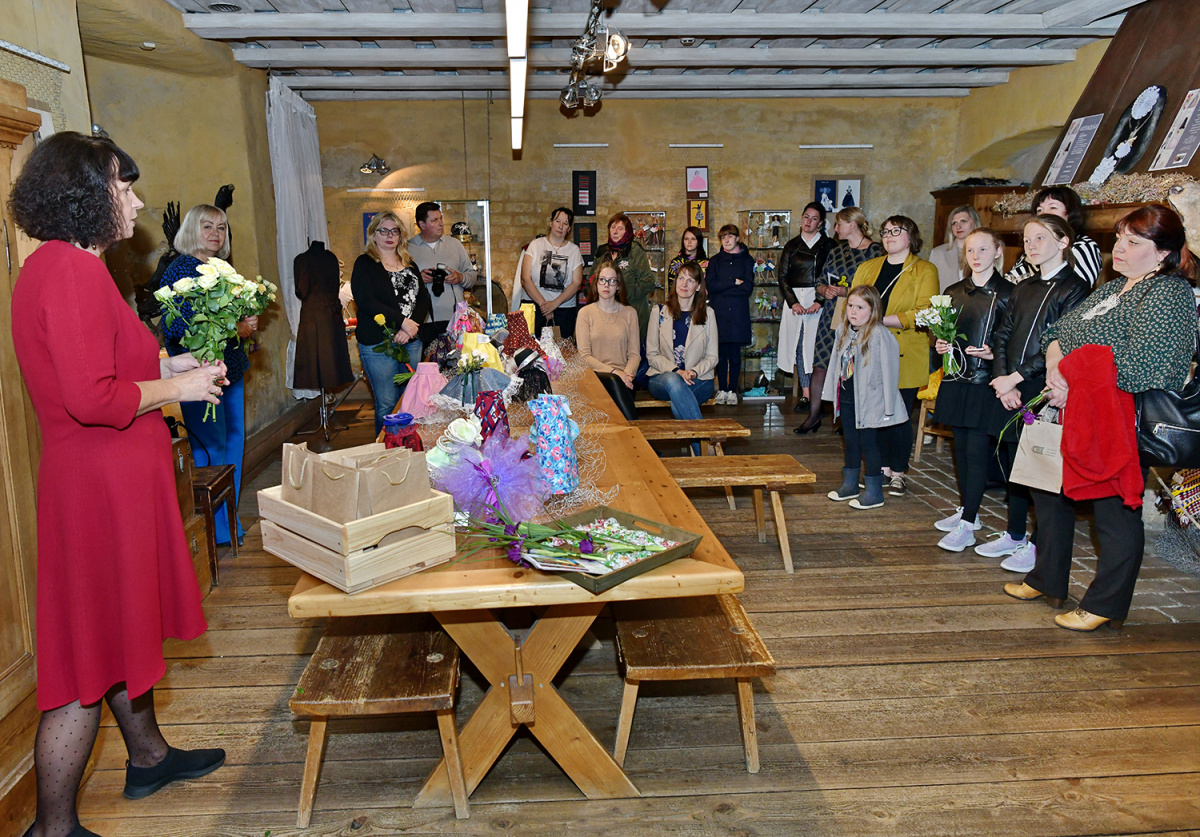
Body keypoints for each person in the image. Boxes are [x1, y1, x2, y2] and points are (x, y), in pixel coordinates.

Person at [10, 131, 227, 837]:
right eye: (122, 187)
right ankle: (53, 827)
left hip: (101, 482)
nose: (134, 202)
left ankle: (149, 757)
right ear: (85, 195)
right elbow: (90, 398)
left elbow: (100, 364)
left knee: (117, 634)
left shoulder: (61, 266)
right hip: (99, 491)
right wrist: (177, 387)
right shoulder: (70, 271)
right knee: (86, 662)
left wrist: (169, 363)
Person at [1006, 204, 1198, 631]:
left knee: (1114, 509)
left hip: (1120, 419)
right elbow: (1057, 331)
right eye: (1120, 239)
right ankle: (1048, 578)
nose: (1120, 249)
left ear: (1163, 252)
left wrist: (1071, 375)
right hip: (1077, 407)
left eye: (1134, 242)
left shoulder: (1168, 294)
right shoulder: (1114, 288)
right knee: (1050, 493)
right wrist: (1056, 365)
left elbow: (1147, 369)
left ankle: (1106, 604)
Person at [986, 214, 1089, 572]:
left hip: (1042, 387)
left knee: (1040, 470)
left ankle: (1037, 543)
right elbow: (1003, 334)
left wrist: (1015, 377)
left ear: (1063, 242)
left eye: (1040, 238)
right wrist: (1002, 378)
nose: (1031, 246)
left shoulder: (1075, 288)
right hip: (1010, 386)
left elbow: (1060, 343)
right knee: (1014, 464)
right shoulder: (1023, 287)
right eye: (1027, 240)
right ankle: (1015, 533)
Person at [160, 204, 257, 547]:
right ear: (191, 230)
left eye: (221, 227)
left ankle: (228, 522)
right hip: (199, 374)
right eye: (207, 226)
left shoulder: (222, 268)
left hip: (232, 368)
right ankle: (208, 528)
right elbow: (179, 325)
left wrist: (247, 320)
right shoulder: (180, 269)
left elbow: (236, 317)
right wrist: (236, 327)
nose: (216, 233)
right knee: (209, 449)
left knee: (233, 444)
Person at [930, 228, 1013, 552]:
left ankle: (967, 525)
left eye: (983, 249)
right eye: (970, 250)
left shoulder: (1008, 293)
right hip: (956, 380)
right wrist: (940, 344)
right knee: (961, 450)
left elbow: (1015, 340)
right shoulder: (953, 292)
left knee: (977, 454)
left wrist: (994, 354)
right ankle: (969, 511)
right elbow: (945, 334)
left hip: (984, 383)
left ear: (997, 251)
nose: (976, 256)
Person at [850, 216, 938, 496]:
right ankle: (881, 468)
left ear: (910, 235)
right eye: (885, 231)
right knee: (874, 413)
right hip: (869, 350)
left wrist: (879, 320)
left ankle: (899, 471)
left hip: (904, 351)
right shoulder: (867, 267)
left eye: (895, 231)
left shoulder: (925, 270)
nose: (888, 236)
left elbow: (926, 312)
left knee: (898, 415)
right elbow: (853, 304)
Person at [796, 207, 883, 435]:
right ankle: (813, 416)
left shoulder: (874, 251)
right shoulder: (837, 250)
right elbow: (820, 280)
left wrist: (848, 291)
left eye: (839, 224)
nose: (835, 229)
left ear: (852, 224)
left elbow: (876, 288)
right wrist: (824, 289)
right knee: (820, 363)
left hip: (858, 316)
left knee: (851, 366)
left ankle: (850, 418)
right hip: (831, 314)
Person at [824, 285, 906, 510]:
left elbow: (890, 371)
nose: (853, 311)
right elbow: (835, 365)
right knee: (850, 441)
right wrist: (831, 394)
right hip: (847, 397)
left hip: (871, 400)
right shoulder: (842, 331)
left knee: (868, 443)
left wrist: (888, 404)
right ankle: (850, 485)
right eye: (850, 305)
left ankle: (874, 492)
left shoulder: (880, 334)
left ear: (873, 310)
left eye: (860, 307)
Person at [352, 211, 432, 435]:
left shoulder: (409, 263)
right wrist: (402, 322)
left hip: (411, 341)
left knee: (409, 400)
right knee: (387, 403)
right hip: (378, 342)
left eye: (394, 231)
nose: (389, 236)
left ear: (400, 235)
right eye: (383, 231)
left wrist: (411, 327)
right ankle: (387, 450)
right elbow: (366, 301)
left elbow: (423, 299)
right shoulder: (365, 263)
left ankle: (406, 446)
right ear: (373, 234)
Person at [646, 261, 720, 449]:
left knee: (677, 405)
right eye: (681, 278)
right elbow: (652, 354)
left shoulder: (708, 314)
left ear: (698, 286)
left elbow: (713, 357)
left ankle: (700, 451)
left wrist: (693, 372)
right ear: (675, 281)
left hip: (699, 379)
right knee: (674, 380)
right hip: (662, 377)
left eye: (690, 280)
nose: (684, 284)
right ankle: (706, 447)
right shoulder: (658, 312)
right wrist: (677, 371)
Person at [777, 202, 835, 415]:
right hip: (795, 302)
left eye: (814, 219)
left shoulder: (828, 245)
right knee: (800, 346)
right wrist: (793, 302)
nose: (808, 222)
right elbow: (782, 276)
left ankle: (823, 394)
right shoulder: (792, 245)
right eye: (806, 217)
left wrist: (820, 300)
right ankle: (806, 394)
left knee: (817, 346)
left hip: (819, 299)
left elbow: (832, 274)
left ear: (820, 223)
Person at [575, 259, 640, 421]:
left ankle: (632, 431)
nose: (606, 285)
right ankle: (634, 430)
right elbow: (584, 356)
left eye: (612, 281)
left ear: (618, 286)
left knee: (617, 386)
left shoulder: (630, 313)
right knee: (612, 381)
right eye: (602, 280)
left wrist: (627, 375)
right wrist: (614, 373)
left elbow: (634, 355)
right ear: (596, 283)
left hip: (625, 381)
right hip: (595, 378)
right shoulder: (585, 313)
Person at [1004, 186, 1104, 287]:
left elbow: (1076, 289)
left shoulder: (1083, 246)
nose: (1044, 214)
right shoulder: (1033, 248)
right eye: (1039, 210)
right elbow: (1008, 285)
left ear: (1070, 213)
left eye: (1053, 208)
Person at [407, 201, 477, 338]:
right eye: (434, 220)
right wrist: (418, 279)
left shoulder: (455, 244)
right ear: (422, 225)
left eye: (441, 218)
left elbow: (473, 276)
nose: (441, 223)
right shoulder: (407, 249)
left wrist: (460, 277)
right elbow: (397, 286)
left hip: (456, 321)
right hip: (422, 322)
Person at [705, 223, 756, 405]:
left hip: (738, 313)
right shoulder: (715, 261)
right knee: (720, 353)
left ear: (737, 238)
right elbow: (711, 286)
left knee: (735, 354)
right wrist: (734, 282)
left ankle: (733, 390)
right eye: (723, 237)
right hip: (719, 313)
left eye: (730, 236)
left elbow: (747, 288)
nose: (726, 240)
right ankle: (722, 389)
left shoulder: (747, 260)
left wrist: (723, 286)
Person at [520, 206, 584, 340]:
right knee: (532, 348)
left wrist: (554, 304)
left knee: (562, 349)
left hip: (563, 311)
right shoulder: (535, 245)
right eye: (557, 221)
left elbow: (576, 283)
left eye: (565, 223)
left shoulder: (574, 250)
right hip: (535, 308)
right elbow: (525, 278)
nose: (560, 226)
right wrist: (544, 305)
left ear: (569, 229)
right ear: (550, 223)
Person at [594, 212, 655, 339]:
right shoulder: (602, 252)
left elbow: (648, 282)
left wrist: (621, 295)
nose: (615, 231)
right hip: (606, 316)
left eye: (620, 228)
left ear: (627, 232)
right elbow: (591, 281)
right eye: (613, 227)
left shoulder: (635, 251)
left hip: (632, 315)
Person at [929, 205, 980, 292]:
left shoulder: (986, 251)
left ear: (975, 223)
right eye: (954, 223)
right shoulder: (938, 253)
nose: (958, 227)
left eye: (963, 221)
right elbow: (931, 286)